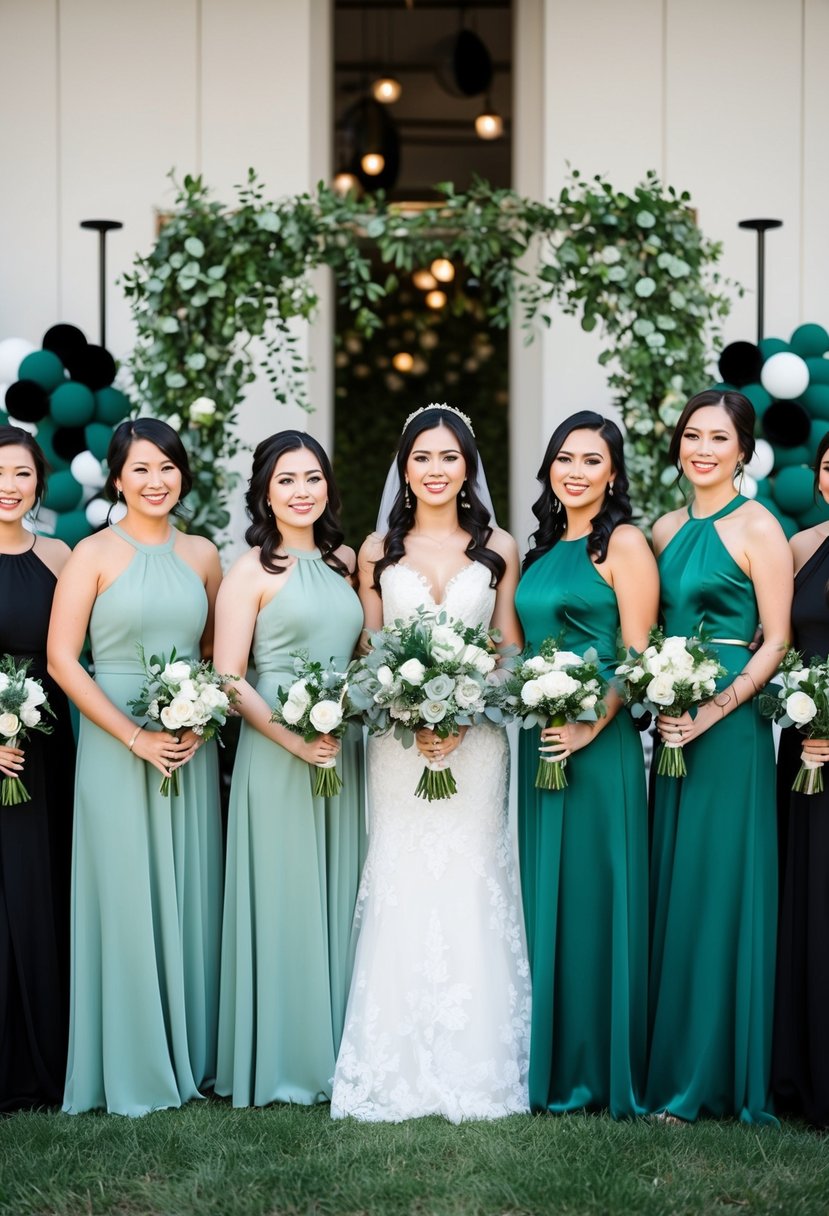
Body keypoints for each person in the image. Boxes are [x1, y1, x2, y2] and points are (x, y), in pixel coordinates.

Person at [331, 404, 531, 1123]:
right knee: (402, 874)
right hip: (396, 747)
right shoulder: (376, 550)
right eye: (422, 457)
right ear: (404, 468)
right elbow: (367, 651)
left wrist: (469, 708)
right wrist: (410, 713)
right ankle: (393, 1059)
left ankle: (479, 1059)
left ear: (468, 466)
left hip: (477, 746)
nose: (436, 470)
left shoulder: (498, 546)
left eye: (450, 457)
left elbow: (506, 647)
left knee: (475, 875)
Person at [48, 418, 223, 1116]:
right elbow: (64, 660)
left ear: (182, 475)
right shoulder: (91, 554)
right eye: (141, 469)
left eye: (168, 467)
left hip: (187, 741)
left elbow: (214, 654)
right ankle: (127, 1062)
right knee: (123, 895)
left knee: (186, 890)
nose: (157, 481)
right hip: (113, 741)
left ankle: (193, 1055)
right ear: (117, 479)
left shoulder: (205, 554)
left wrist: (195, 715)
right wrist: (133, 737)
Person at [646, 389, 791, 1124]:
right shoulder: (665, 527)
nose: (701, 449)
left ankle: (709, 1076)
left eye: (717, 438)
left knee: (715, 894)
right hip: (671, 722)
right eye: (691, 436)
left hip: (726, 732)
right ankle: (666, 1064)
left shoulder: (757, 525)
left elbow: (774, 640)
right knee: (673, 893)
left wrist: (713, 709)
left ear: (742, 450)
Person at [213, 431, 364, 1107]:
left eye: (312, 478)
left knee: (340, 894)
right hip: (276, 756)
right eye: (286, 480)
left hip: (344, 750)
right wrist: (295, 741)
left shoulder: (345, 560)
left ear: (327, 486)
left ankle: (341, 1047)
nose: (301, 491)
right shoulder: (250, 571)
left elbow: (363, 651)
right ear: (264, 492)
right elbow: (228, 677)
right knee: (283, 898)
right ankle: (280, 1057)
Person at [515, 411, 658, 1118]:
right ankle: (550, 1060)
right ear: (547, 469)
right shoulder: (539, 551)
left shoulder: (623, 544)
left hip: (596, 752)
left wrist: (586, 724)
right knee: (549, 901)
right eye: (563, 458)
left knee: (597, 902)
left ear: (612, 473)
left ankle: (598, 1071)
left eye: (591, 460)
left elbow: (635, 657)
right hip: (537, 742)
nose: (574, 471)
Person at [0, 426, 74, 1111]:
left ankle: (44, 1062)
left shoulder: (57, 553)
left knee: (44, 889)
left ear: (38, 483)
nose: (8, 487)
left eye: (21, 474)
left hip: (46, 751)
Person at [772, 429, 829, 1126]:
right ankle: (799, 1075)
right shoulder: (800, 546)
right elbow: (778, 641)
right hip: (802, 748)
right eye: (827, 463)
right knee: (804, 899)